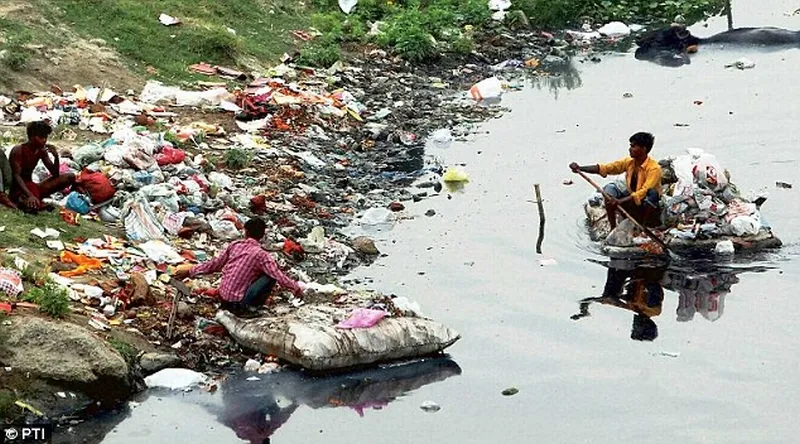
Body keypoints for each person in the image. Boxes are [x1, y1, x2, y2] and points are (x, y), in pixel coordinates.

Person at [173, 217, 304, 313]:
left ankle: (243, 303)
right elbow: (279, 276)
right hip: (237, 304)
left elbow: (214, 265)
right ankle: (251, 308)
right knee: (270, 275)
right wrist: (296, 288)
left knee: (265, 271)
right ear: (262, 235)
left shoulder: (235, 245)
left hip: (223, 298)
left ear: (245, 232)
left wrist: (189, 271)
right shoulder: (262, 255)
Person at [570, 132, 662, 229]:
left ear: (643, 149)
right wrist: (580, 168)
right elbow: (607, 168)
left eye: (633, 146)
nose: (630, 149)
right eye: (630, 146)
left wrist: (620, 201)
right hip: (632, 201)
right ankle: (613, 228)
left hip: (646, 205)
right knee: (609, 193)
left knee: (652, 193)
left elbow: (643, 191)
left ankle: (643, 227)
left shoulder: (654, 168)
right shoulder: (629, 162)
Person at [9, 120, 76, 212]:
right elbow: (17, 176)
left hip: (33, 186)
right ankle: (31, 201)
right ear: (32, 137)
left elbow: (55, 174)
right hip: (19, 189)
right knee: (29, 205)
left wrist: (56, 156)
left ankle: (34, 200)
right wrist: (30, 195)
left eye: (45, 137)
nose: (44, 140)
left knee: (70, 177)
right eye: (41, 137)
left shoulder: (41, 151)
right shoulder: (18, 150)